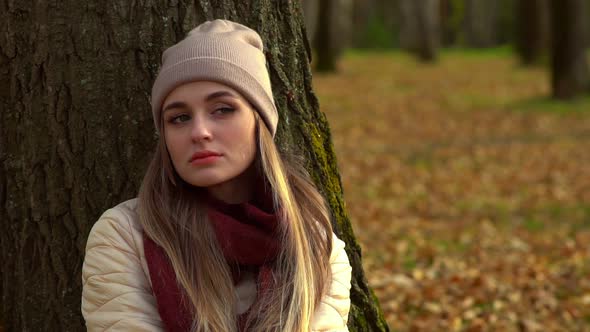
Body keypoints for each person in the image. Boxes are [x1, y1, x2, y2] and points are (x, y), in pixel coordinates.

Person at [81, 19, 352, 332]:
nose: (199, 132)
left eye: (223, 109)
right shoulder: (125, 236)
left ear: (259, 121)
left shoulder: (314, 244)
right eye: (179, 118)